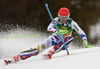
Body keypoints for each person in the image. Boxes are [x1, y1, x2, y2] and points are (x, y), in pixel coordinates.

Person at [4, 7, 92, 65]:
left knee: (70, 38)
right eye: (62, 17)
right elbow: (49, 28)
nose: (63, 20)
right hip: (53, 39)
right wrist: (57, 31)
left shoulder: (72, 23)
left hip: (64, 43)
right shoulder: (56, 20)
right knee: (37, 51)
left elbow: (81, 32)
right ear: (59, 16)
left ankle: (51, 52)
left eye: (65, 18)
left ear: (68, 16)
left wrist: (85, 41)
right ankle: (16, 58)